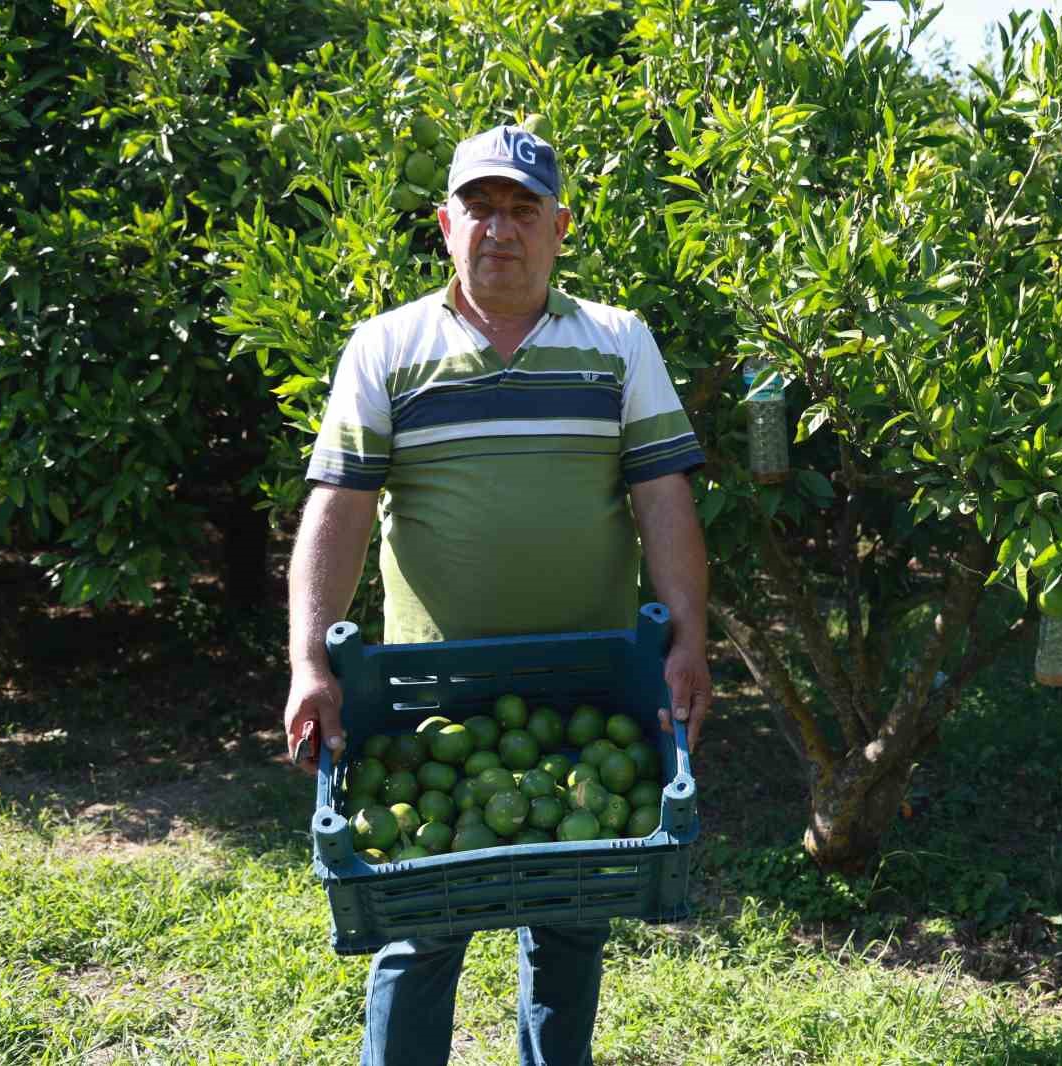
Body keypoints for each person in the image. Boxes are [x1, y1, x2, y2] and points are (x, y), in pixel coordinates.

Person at [282, 122, 712, 1066]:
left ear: (561, 226)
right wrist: (309, 660)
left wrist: (688, 638)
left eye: (523, 210)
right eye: (480, 207)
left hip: (584, 688)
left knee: (571, 923)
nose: (501, 229)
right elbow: (338, 509)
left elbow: (663, 497)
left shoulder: (617, 342)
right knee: (421, 930)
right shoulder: (387, 346)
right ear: (446, 225)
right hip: (434, 696)